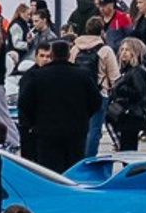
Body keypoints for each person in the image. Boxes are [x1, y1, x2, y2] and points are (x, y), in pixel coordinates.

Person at [14, 38, 99, 175]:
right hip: (75, 131)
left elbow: (24, 103)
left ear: (52, 55)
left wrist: (32, 123)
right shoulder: (82, 75)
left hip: (46, 131)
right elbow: (96, 101)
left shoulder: (37, 76)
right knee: (73, 172)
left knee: (49, 173)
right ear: (69, 55)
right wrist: (83, 116)